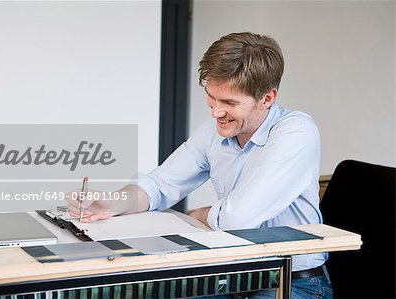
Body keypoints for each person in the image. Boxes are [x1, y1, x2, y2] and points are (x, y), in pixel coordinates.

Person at [67, 32, 333, 298]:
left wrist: (198, 215)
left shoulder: (296, 132)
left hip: (292, 283)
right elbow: (161, 185)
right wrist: (113, 202)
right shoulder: (216, 131)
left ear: (267, 98)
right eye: (212, 97)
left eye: (229, 102)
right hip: (233, 277)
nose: (216, 112)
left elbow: (237, 219)